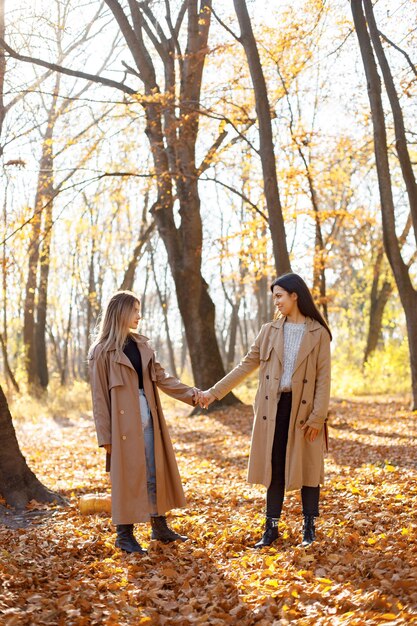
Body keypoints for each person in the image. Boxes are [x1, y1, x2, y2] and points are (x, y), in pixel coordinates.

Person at [200, 273, 331, 548]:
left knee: (308, 467)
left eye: (280, 296)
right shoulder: (268, 331)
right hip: (274, 409)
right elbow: (245, 366)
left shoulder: (319, 334)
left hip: (304, 410)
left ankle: (310, 528)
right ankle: (270, 528)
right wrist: (214, 393)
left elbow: (323, 379)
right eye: (274, 297)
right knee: (275, 467)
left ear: (295, 295)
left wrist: (318, 417)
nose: (277, 302)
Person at [88, 290, 201, 554]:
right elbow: (99, 398)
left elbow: (162, 378)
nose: (139, 315)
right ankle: (124, 534)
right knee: (127, 477)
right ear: (121, 312)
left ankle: (159, 526)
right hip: (121, 424)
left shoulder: (143, 345)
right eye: (135, 310)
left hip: (148, 415)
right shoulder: (101, 351)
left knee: (153, 471)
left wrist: (193, 395)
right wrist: (105, 438)